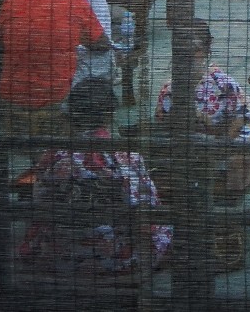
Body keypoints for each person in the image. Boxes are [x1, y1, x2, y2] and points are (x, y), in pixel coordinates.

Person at [16, 81, 170, 276]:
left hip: (57, 253)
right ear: (109, 115)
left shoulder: (53, 155)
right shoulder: (123, 157)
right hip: (112, 257)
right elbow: (145, 208)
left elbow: (40, 200)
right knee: (166, 228)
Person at [0, 0, 110, 128]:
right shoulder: (75, 3)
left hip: (13, 93)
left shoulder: (11, 1)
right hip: (57, 93)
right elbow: (102, 44)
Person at [157, 20, 250, 140]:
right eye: (181, 48)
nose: (187, 54)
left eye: (195, 48)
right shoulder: (168, 90)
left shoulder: (222, 84)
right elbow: (163, 122)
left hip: (237, 134)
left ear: (206, 50)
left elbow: (239, 121)